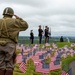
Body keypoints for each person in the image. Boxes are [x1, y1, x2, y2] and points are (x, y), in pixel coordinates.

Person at [0, 7, 28, 75]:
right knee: (10, 65)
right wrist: (19, 18)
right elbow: (25, 25)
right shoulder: (15, 21)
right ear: (12, 14)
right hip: (10, 45)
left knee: (0, 64)